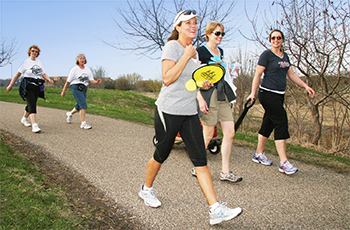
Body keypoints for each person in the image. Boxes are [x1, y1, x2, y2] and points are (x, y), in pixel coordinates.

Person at [138, 10, 242, 225]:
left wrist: (201, 85)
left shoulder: (194, 52)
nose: (193, 26)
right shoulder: (173, 47)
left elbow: (190, 81)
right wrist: (185, 56)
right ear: (178, 27)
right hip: (168, 110)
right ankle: (146, 190)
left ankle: (215, 209)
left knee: (200, 159)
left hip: (188, 112)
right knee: (162, 153)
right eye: (188, 23)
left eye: (195, 23)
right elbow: (167, 78)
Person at [247, 29, 315, 175]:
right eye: (273, 38)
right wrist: (253, 93)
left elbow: (291, 74)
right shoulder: (267, 55)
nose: (276, 40)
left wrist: (305, 86)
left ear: (282, 39)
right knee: (281, 121)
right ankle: (283, 162)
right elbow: (258, 74)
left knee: (269, 122)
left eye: (278, 37)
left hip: (279, 95)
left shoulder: (285, 57)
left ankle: (259, 154)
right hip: (267, 93)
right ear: (270, 40)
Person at [194, 21, 242, 183]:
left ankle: (225, 172)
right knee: (207, 134)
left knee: (230, 132)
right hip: (209, 95)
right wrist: (200, 98)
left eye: (222, 34)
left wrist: (231, 70)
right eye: (217, 33)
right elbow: (195, 77)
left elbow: (219, 72)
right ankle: (197, 165)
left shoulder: (220, 51)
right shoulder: (201, 51)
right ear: (208, 34)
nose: (220, 36)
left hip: (223, 94)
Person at [6, 45, 53, 133]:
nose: (34, 53)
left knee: (32, 103)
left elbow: (43, 73)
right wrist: (10, 85)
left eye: (36, 52)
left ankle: (24, 118)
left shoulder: (39, 62)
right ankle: (34, 125)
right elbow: (17, 75)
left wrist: (49, 79)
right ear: (29, 52)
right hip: (28, 85)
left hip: (37, 85)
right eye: (33, 51)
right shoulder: (26, 63)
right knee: (32, 104)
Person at [61, 54, 101, 129]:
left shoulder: (87, 69)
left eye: (83, 58)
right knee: (83, 104)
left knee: (79, 105)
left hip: (84, 88)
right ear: (78, 60)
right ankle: (83, 123)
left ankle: (70, 113)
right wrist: (63, 91)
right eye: (80, 58)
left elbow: (91, 79)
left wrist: (96, 82)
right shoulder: (74, 69)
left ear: (85, 60)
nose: (82, 60)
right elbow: (68, 81)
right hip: (75, 87)